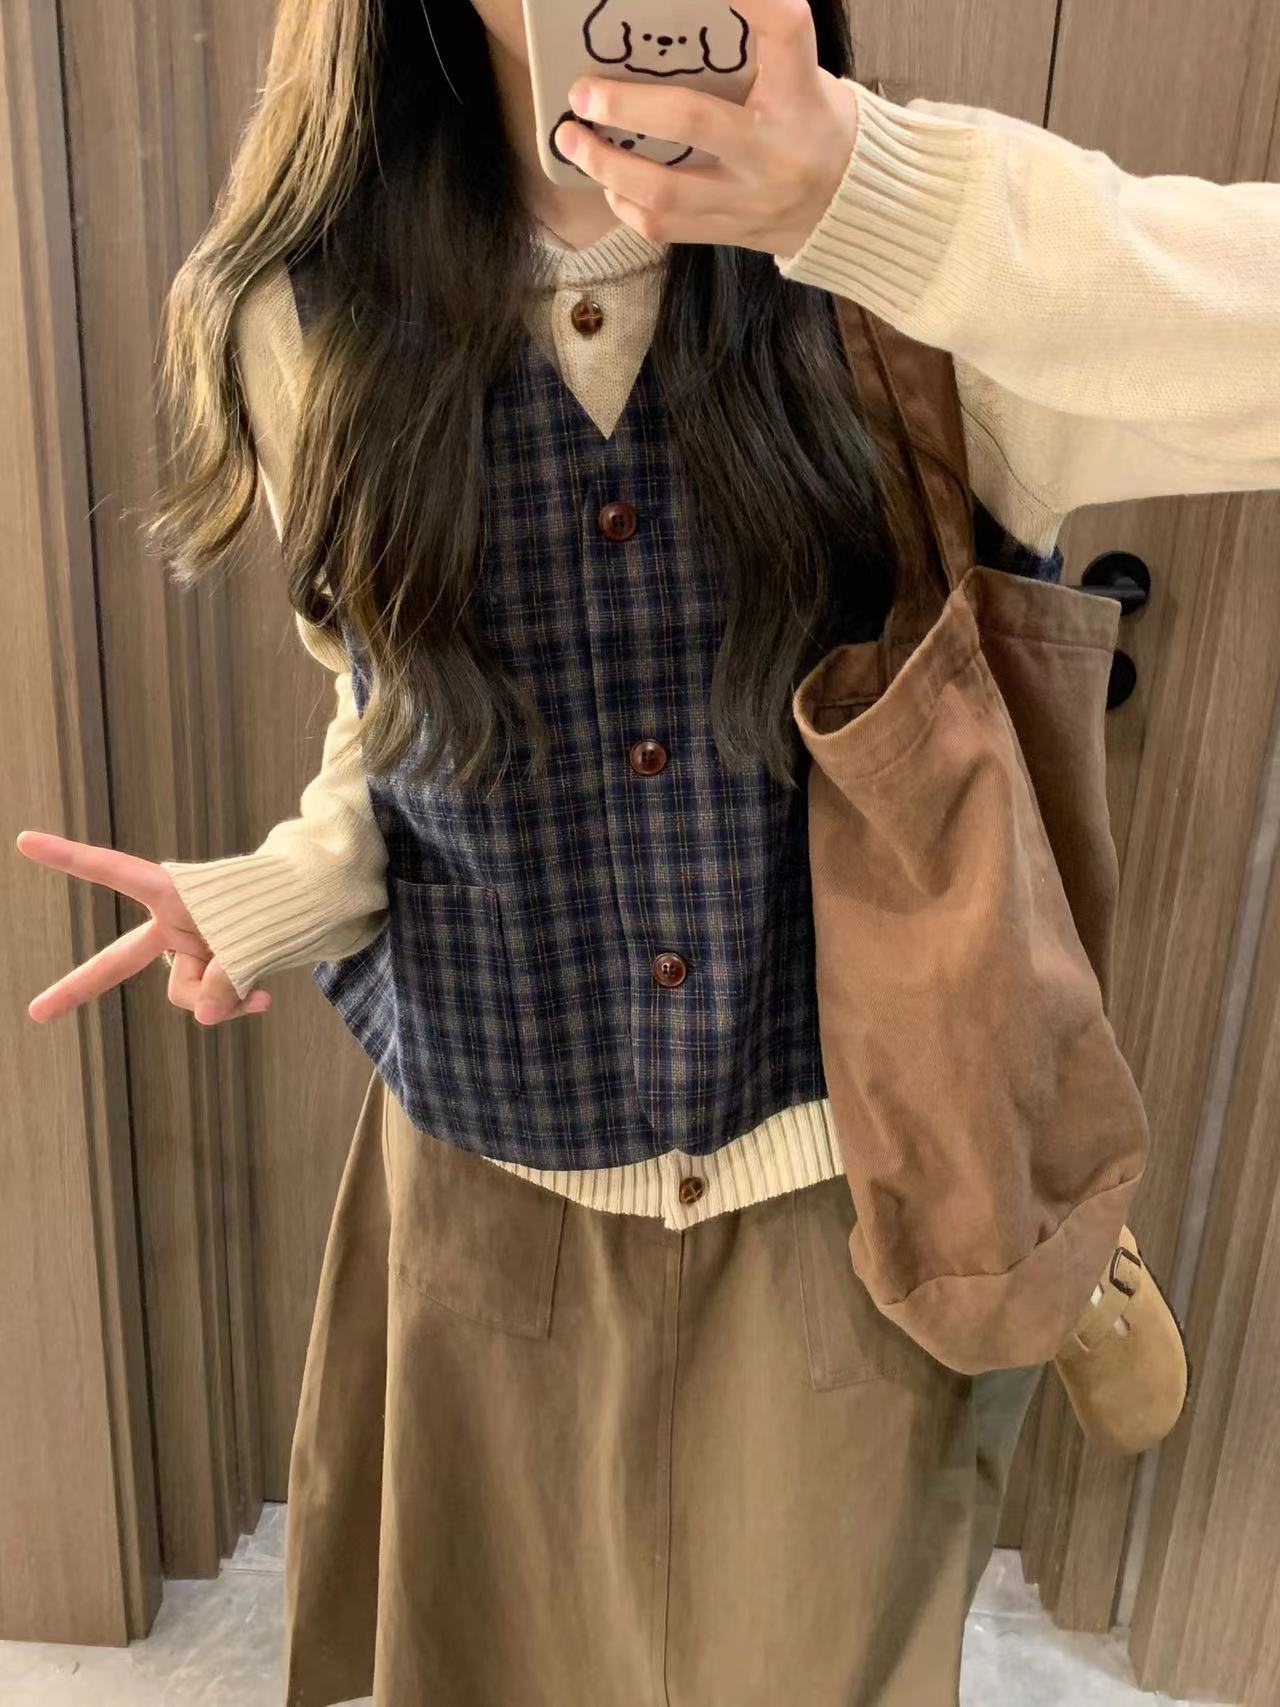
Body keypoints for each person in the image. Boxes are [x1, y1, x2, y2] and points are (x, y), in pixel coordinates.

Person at [15, 0, 1279, 1701]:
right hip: (486, 1196)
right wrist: (288, 887)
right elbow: (385, 706)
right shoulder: (297, 311)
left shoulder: (928, 270)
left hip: (842, 1206)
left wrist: (870, 192)